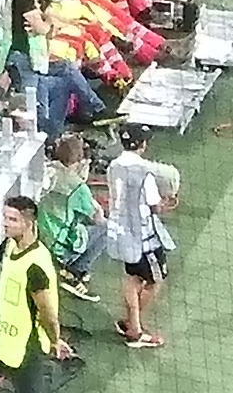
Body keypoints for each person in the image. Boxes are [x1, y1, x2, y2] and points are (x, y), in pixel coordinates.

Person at [97, 123, 179, 351]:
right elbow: (155, 206)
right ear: (141, 144)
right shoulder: (145, 173)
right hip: (144, 238)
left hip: (122, 233)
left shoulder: (113, 166)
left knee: (132, 278)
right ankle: (135, 329)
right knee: (156, 281)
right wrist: (167, 202)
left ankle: (130, 323)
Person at [0, 193, 70, 391]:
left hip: (27, 349)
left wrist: (55, 340)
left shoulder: (36, 266)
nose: (6, 224)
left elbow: (47, 313)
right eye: (5, 218)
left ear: (29, 223)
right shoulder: (9, 246)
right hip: (4, 341)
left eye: (12, 219)